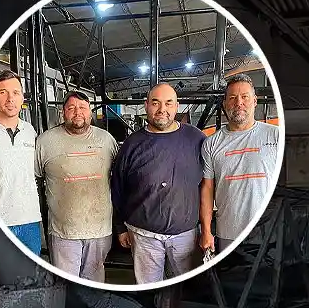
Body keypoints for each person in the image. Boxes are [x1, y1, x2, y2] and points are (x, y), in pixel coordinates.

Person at [110, 83, 205, 284]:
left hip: (185, 236)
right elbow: (117, 188)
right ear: (146, 106)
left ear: (177, 106)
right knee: (149, 290)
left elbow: (209, 182)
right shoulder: (132, 144)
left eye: (168, 103)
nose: (162, 109)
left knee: (187, 290)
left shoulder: (196, 138)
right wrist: (120, 227)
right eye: (156, 103)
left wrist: (206, 230)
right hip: (144, 236)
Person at [34, 91, 118, 282]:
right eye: (71, 108)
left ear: (90, 112)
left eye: (82, 108)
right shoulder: (45, 142)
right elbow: (34, 178)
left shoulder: (106, 140)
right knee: (66, 285)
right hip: (64, 231)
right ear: (63, 112)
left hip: (100, 229)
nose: (77, 112)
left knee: (94, 282)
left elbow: (120, 178)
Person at [199, 73, 279, 253]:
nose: (239, 103)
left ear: (255, 101)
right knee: (231, 280)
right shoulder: (211, 143)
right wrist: (206, 231)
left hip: (271, 232)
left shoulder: (276, 136)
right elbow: (207, 189)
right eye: (233, 98)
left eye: (245, 97)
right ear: (225, 103)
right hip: (228, 233)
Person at [0, 69, 42, 254]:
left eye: (15, 93)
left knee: (30, 279)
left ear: (22, 98)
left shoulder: (30, 131)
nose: (10, 99)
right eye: (3, 92)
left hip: (30, 222)